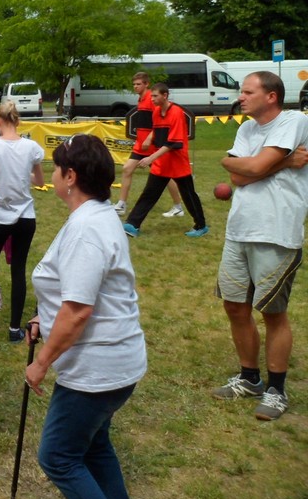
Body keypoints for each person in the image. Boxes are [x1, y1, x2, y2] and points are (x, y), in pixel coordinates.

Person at [25, 133, 147, 499]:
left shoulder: (86, 229)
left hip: (97, 368)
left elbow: (78, 310)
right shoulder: (95, 216)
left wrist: (41, 362)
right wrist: (45, 315)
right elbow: (82, 290)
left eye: (57, 167)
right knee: (93, 447)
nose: (52, 173)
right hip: (114, 361)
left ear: (70, 176)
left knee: (58, 457)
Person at [212, 72, 308, 421]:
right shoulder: (247, 130)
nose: (241, 97)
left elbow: (252, 166)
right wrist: (284, 162)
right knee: (235, 307)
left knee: (272, 313)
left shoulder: (293, 121)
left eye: (248, 92)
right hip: (239, 230)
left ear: (271, 96)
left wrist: (248, 164)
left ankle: (276, 390)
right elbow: (238, 175)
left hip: (276, 232)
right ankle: (250, 378)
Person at [0, 101, 44, 342]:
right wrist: (23, 174)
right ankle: (14, 328)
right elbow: (39, 181)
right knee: (18, 270)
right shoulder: (32, 147)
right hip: (25, 218)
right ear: (17, 121)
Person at [122, 83, 208, 238]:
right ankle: (132, 224)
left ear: (165, 96)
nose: (152, 99)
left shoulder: (177, 113)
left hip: (177, 162)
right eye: (151, 96)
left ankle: (201, 226)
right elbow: (156, 130)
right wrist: (149, 139)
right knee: (149, 193)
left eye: (155, 96)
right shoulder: (156, 112)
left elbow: (173, 143)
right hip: (162, 162)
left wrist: (150, 158)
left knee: (188, 195)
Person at [113, 72, 183, 218]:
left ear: (146, 84)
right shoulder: (141, 99)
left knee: (165, 176)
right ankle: (121, 204)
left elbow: (159, 122)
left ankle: (178, 206)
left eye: (138, 84)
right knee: (127, 169)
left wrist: (149, 139)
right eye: (134, 84)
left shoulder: (152, 99)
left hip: (151, 146)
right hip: (140, 146)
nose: (135, 87)